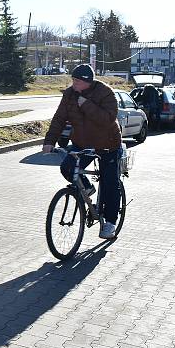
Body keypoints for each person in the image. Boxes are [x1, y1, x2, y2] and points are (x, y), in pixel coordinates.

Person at [42, 64, 122, 239]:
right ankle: (87, 188)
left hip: (108, 144)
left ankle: (110, 223)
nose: (74, 83)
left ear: (88, 81)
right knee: (67, 168)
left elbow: (108, 119)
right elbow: (59, 119)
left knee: (109, 183)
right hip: (82, 142)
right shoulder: (70, 95)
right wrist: (49, 142)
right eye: (73, 80)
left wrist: (86, 105)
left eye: (77, 81)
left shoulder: (105, 92)